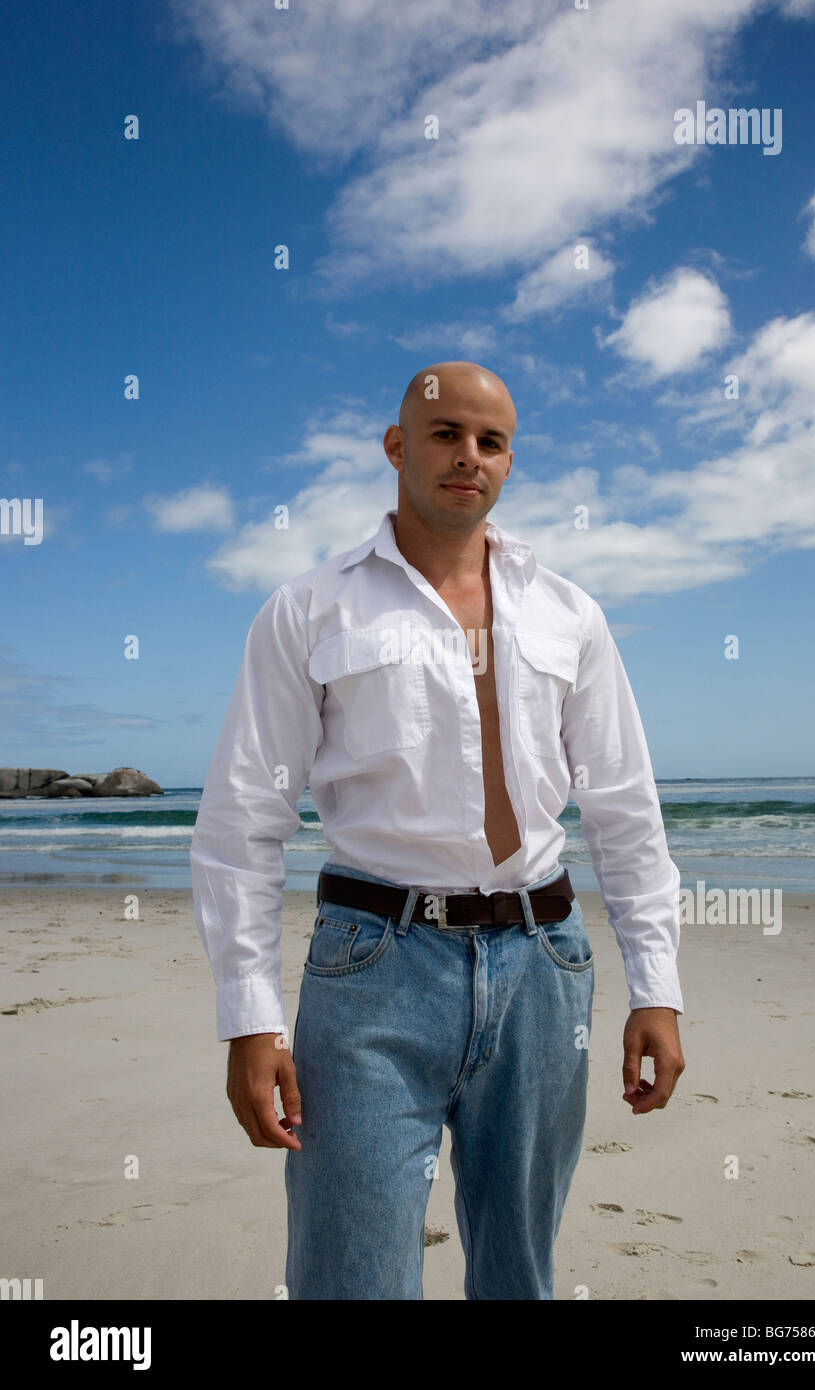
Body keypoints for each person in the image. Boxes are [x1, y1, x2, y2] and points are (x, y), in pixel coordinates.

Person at [190, 360, 685, 1300]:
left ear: (510, 461)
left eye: (490, 441)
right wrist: (248, 1017)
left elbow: (623, 809)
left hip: (546, 965)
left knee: (519, 1274)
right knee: (352, 1277)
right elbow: (243, 822)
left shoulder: (569, 614)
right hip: (374, 965)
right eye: (445, 434)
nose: (469, 457)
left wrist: (655, 988)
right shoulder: (308, 609)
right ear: (396, 447)